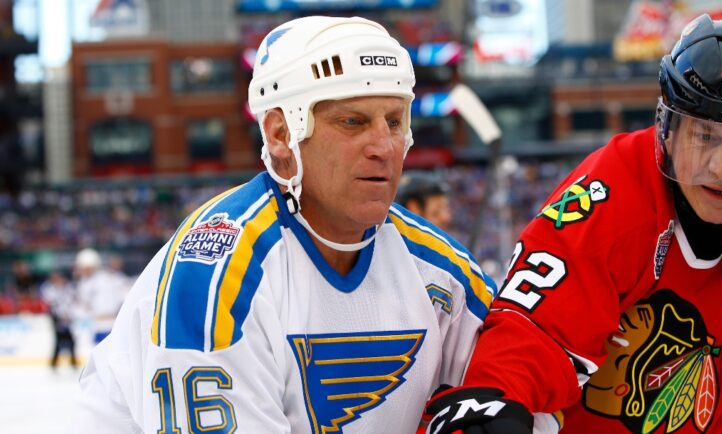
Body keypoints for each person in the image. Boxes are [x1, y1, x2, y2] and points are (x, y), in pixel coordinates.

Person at [73, 16, 501, 433]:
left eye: (394, 121)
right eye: (352, 121)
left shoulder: (441, 271)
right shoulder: (214, 277)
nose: (384, 147)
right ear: (280, 134)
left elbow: (529, 381)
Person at [421, 14, 722, 434]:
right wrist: (496, 398)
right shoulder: (613, 188)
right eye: (705, 136)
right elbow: (537, 329)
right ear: (668, 131)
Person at [74, 248, 130, 344]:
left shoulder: (110, 279)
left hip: (113, 324)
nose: (84, 270)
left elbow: (125, 294)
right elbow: (82, 306)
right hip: (96, 326)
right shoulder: (82, 284)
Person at [40, 270, 78, 369]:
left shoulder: (68, 288)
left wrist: (68, 315)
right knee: (58, 340)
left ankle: (72, 361)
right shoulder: (49, 289)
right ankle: (55, 362)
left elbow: (71, 301)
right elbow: (51, 303)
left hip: (67, 318)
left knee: (71, 340)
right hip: (56, 318)